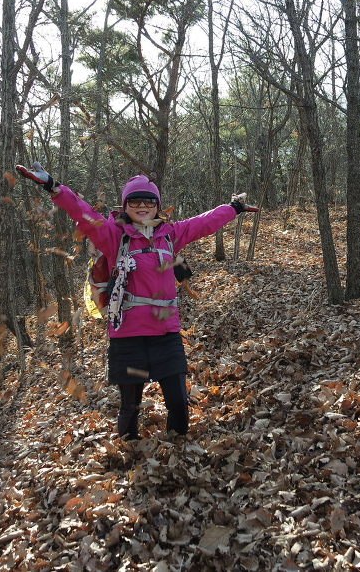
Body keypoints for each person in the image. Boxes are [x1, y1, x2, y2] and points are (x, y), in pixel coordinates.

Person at [16, 163, 255, 439]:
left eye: (149, 201)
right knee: (130, 407)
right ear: (125, 205)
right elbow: (83, 212)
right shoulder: (113, 236)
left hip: (166, 335)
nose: (142, 206)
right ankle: (129, 452)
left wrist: (234, 208)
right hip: (128, 338)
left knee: (178, 403)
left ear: (157, 205)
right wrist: (53, 186)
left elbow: (204, 222)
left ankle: (178, 450)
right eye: (135, 201)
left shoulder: (170, 234)